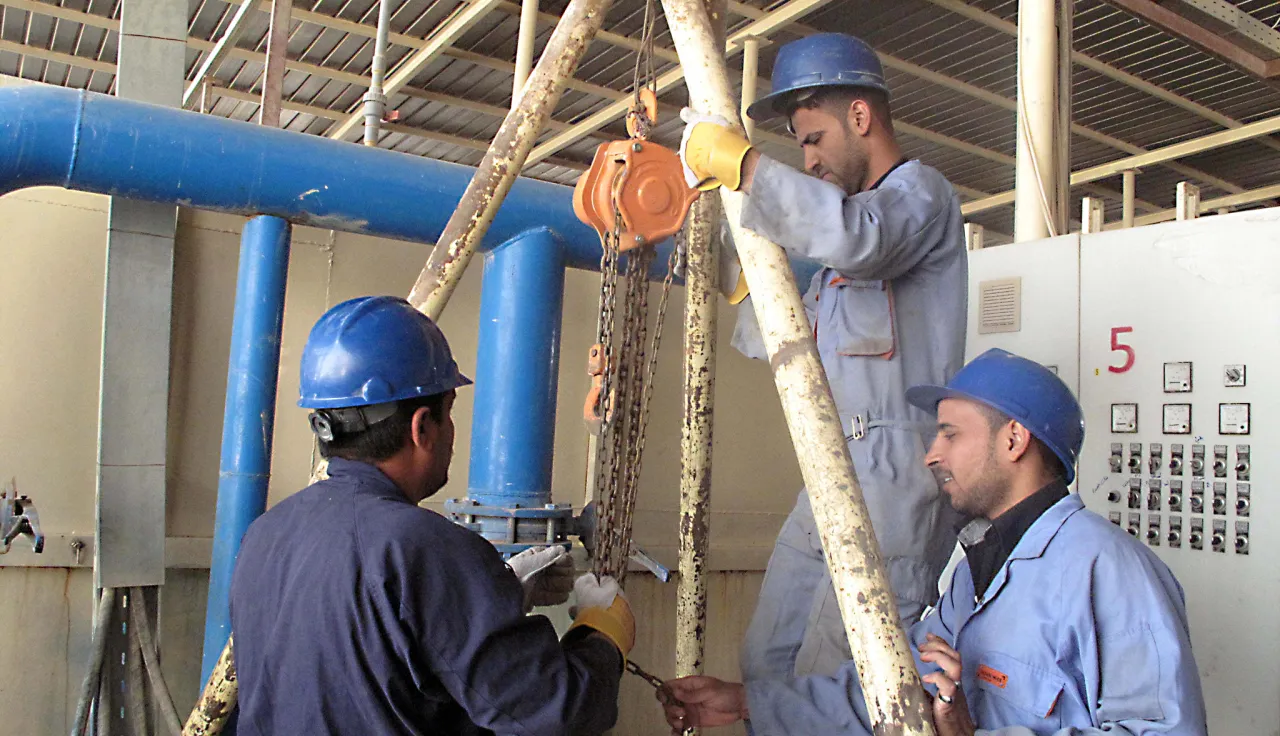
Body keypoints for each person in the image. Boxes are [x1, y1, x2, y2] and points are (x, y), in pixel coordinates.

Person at [661, 348, 1208, 735]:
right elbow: (893, 688)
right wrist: (747, 702)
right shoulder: (974, 574)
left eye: (950, 433)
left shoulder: (1108, 571)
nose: (932, 454)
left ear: (1013, 440)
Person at [677, 31, 969, 703]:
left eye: (813, 139)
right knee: (766, 657)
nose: (807, 159)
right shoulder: (838, 264)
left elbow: (857, 237)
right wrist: (730, 258)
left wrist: (744, 166)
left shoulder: (919, 196)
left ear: (860, 117)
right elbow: (782, 337)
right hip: (831, 467)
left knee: (837, 678)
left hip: (896, 482)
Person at [229, 296, 633, 736]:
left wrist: (489, 601)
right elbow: (556, 713)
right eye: (450, 412)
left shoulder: (264, 533)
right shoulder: (425, 547)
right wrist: (602, 633)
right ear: (422, 426)